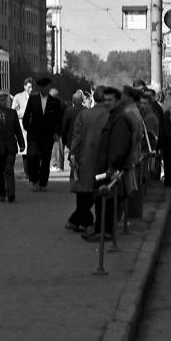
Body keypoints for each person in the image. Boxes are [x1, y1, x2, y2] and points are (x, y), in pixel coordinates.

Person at [85, 86, 135, 242]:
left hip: (109, 169)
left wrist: (112, 167)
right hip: (105, 168)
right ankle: (100, 230)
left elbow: (118, 147)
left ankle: (105, 232)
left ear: (118, 101)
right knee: (101, 200)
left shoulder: (120, 119)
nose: (107, 103)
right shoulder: (114, 116)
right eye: (105, 100)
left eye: (110, 100)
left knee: (106, 200)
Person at [66, 87, 109, 232]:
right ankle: (81, 221)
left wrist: (73, 157)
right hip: (103, 159)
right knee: (96, 193)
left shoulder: (84, 114)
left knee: (83, 192)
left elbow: (76, 139)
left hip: (83, 159)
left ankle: (82, 221)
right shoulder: (110, 115)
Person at [22, 76, 64, 191]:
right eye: (43, 87)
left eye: (47, 86)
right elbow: (26, 117)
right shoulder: (33, 99)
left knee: (45, 159)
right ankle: (34, 181)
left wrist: (57, 132)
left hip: (47, 135)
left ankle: (43, 183)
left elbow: (58, 119)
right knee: (32, 156)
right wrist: (29, 128)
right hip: (34, 135)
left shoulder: (55, 102)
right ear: (39, 88)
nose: (45, 89)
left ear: (49, 87)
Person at [11, 77, 34, 178]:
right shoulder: (18, 97)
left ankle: (33, 171)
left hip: (33, 127)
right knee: (25, 150)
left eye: (32, 87)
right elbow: (13, 112)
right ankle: (27, 172)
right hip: (23, 127)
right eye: (29, 87)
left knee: (33, 150)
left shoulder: (36, 97)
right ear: (24, 87)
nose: (31, 89)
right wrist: (22, 113)